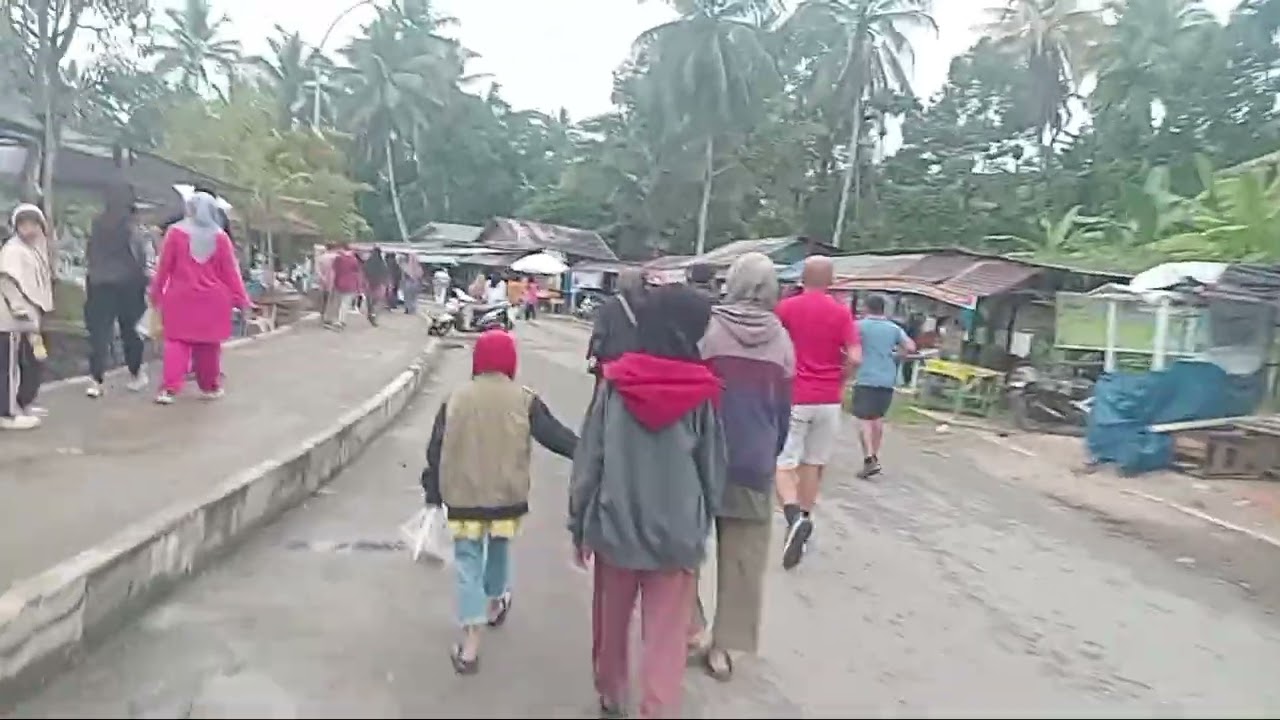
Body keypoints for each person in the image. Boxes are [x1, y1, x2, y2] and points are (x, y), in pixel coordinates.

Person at [569, 284, 726, 719]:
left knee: (611, 620)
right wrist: (704, 521)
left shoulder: (616, 385)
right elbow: (712, 468)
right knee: (667, 635)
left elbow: (590, 459)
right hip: (678, 534)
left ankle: (611, 692)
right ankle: (657, 708)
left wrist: (578, 521)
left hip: (616, 523)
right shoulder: (703, 394)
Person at [421, 330, 578, 674]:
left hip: (463, 500)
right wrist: (589, 454)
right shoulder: (525, 399)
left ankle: (470, 646)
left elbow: (436, 450)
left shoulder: (455, 399)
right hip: (507, 498)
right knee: (499, 548)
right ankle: (495, 602)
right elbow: (557, 437)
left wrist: (432, 492)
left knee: (468, 562)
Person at [690, 252, 793, 681]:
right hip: (753, 461)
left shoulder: (707, 332)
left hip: (700, 458)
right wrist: (771, 451)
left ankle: (688, 627)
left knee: (685, 549)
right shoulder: (782, 341)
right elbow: (783, 413)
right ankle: (722, 648)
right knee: (743, 562)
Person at [774, 256, 861, 570]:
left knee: (783, 463)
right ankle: (803, 524)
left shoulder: (785, 308)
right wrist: (841, 378)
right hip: (828, 400)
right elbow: (855, 356)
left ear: (802, 278)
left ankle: (793, 516)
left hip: (794, 394)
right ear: (831, 280)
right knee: (813, 463)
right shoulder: (841, 313)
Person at [149, 193, 251, 405]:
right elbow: (231, 273)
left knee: (177, 343)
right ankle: (209, 386)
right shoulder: (220, 238)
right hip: (214, 302)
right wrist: (242, 301)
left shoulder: (175, 233)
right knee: (209, 347)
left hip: (180, 298)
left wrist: (156, 294)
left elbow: (164, 268)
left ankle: (169, 389)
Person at [84, 183, 151, 398]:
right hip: (129, 283)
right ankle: (136, 373)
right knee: (130, 331)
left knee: (100, 333)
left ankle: (96, 380)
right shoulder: (132, 226)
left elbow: (90, 253)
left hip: (99, 282)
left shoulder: (97, 223)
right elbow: (139, 255)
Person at [0, 204, 53, 430]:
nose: (29, 229)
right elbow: (7, 280)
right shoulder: (13, 250)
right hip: (11, 320)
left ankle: (22, 403)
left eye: (33, 224)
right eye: (23, 224)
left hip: (29, 319)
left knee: (33, 360)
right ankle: (8, 413)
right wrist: (18, 307)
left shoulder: (34, 248)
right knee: (9, 366)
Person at [853, 294, 916, 479]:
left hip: (866, 377)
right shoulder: (893, 328)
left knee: (863, 419)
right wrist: (899, 355)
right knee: (877, 418)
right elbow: (910, 347)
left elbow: (847, 344)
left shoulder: (859, 326)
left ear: (866, 308)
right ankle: (874, 456)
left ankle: (868, 458)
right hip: (888, 378)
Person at [586, 267, 644, 379]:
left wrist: (594, 354)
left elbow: (599, 334)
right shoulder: (647, 304)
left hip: (611, 360)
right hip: (635, 360)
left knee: (605, 391)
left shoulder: (608, 306)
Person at [328, 243, 362, 329]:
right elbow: (357, 273)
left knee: (337, 302)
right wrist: (358, 286)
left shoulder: (338, 259)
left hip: (338, 283)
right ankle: (341, 320)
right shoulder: (354, 260)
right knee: (345, 303)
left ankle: (333, 319)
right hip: (350, 284)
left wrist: (331, 282)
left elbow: (333, 271)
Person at [362, 247, 389, 325]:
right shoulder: (382, 263)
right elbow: (385, 274)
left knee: (369, 301)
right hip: (379, 285)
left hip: (368, 284)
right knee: (376, 302)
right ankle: (373, 315)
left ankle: (370, 313)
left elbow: (364, 272)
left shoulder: (367, 262)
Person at [316, 243, 338, 328]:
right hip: (333, 281)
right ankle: (329, 318)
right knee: (331, 300)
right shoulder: (336, 257)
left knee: (323, 300)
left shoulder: (320, 258)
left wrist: (322, 278)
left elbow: (317, 270)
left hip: (323, 282)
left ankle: (322, 316)